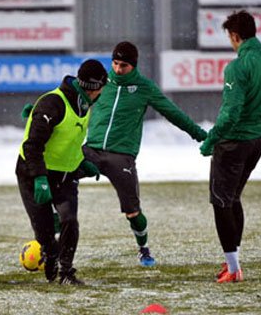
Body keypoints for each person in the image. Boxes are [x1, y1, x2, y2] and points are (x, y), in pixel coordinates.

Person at [83, 41, 207, 267]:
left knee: (132, 211)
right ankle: (53, 229)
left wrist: (199, 134)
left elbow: (173, 113)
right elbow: (71, 101)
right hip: (90, 150)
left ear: (134, 66)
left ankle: (143, 249)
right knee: (56, 173)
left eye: (124, 65)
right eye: (115, 63)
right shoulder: (102, 82)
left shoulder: (144, 88)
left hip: (121, 156)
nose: (118, 69)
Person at [200, 10, 261, 283]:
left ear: (235, 36)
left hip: (234, 141)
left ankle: (234, 268)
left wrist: (211, 139)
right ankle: (233, 262)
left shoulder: (237, 66)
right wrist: (257, 103)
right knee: (233, 197)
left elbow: (231, 113)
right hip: (259, 139)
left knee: (221, 201)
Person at [16, 59, 107, 285]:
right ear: (95, 88)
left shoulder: (84, 102)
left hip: (65, 175)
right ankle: (50, 255)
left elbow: (69, 138)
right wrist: (39, 178)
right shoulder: (53, 103)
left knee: (69, 220)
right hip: (33, 171)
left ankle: (66, 272)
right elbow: (32, 146)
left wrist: (80, 163)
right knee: (45, 231)